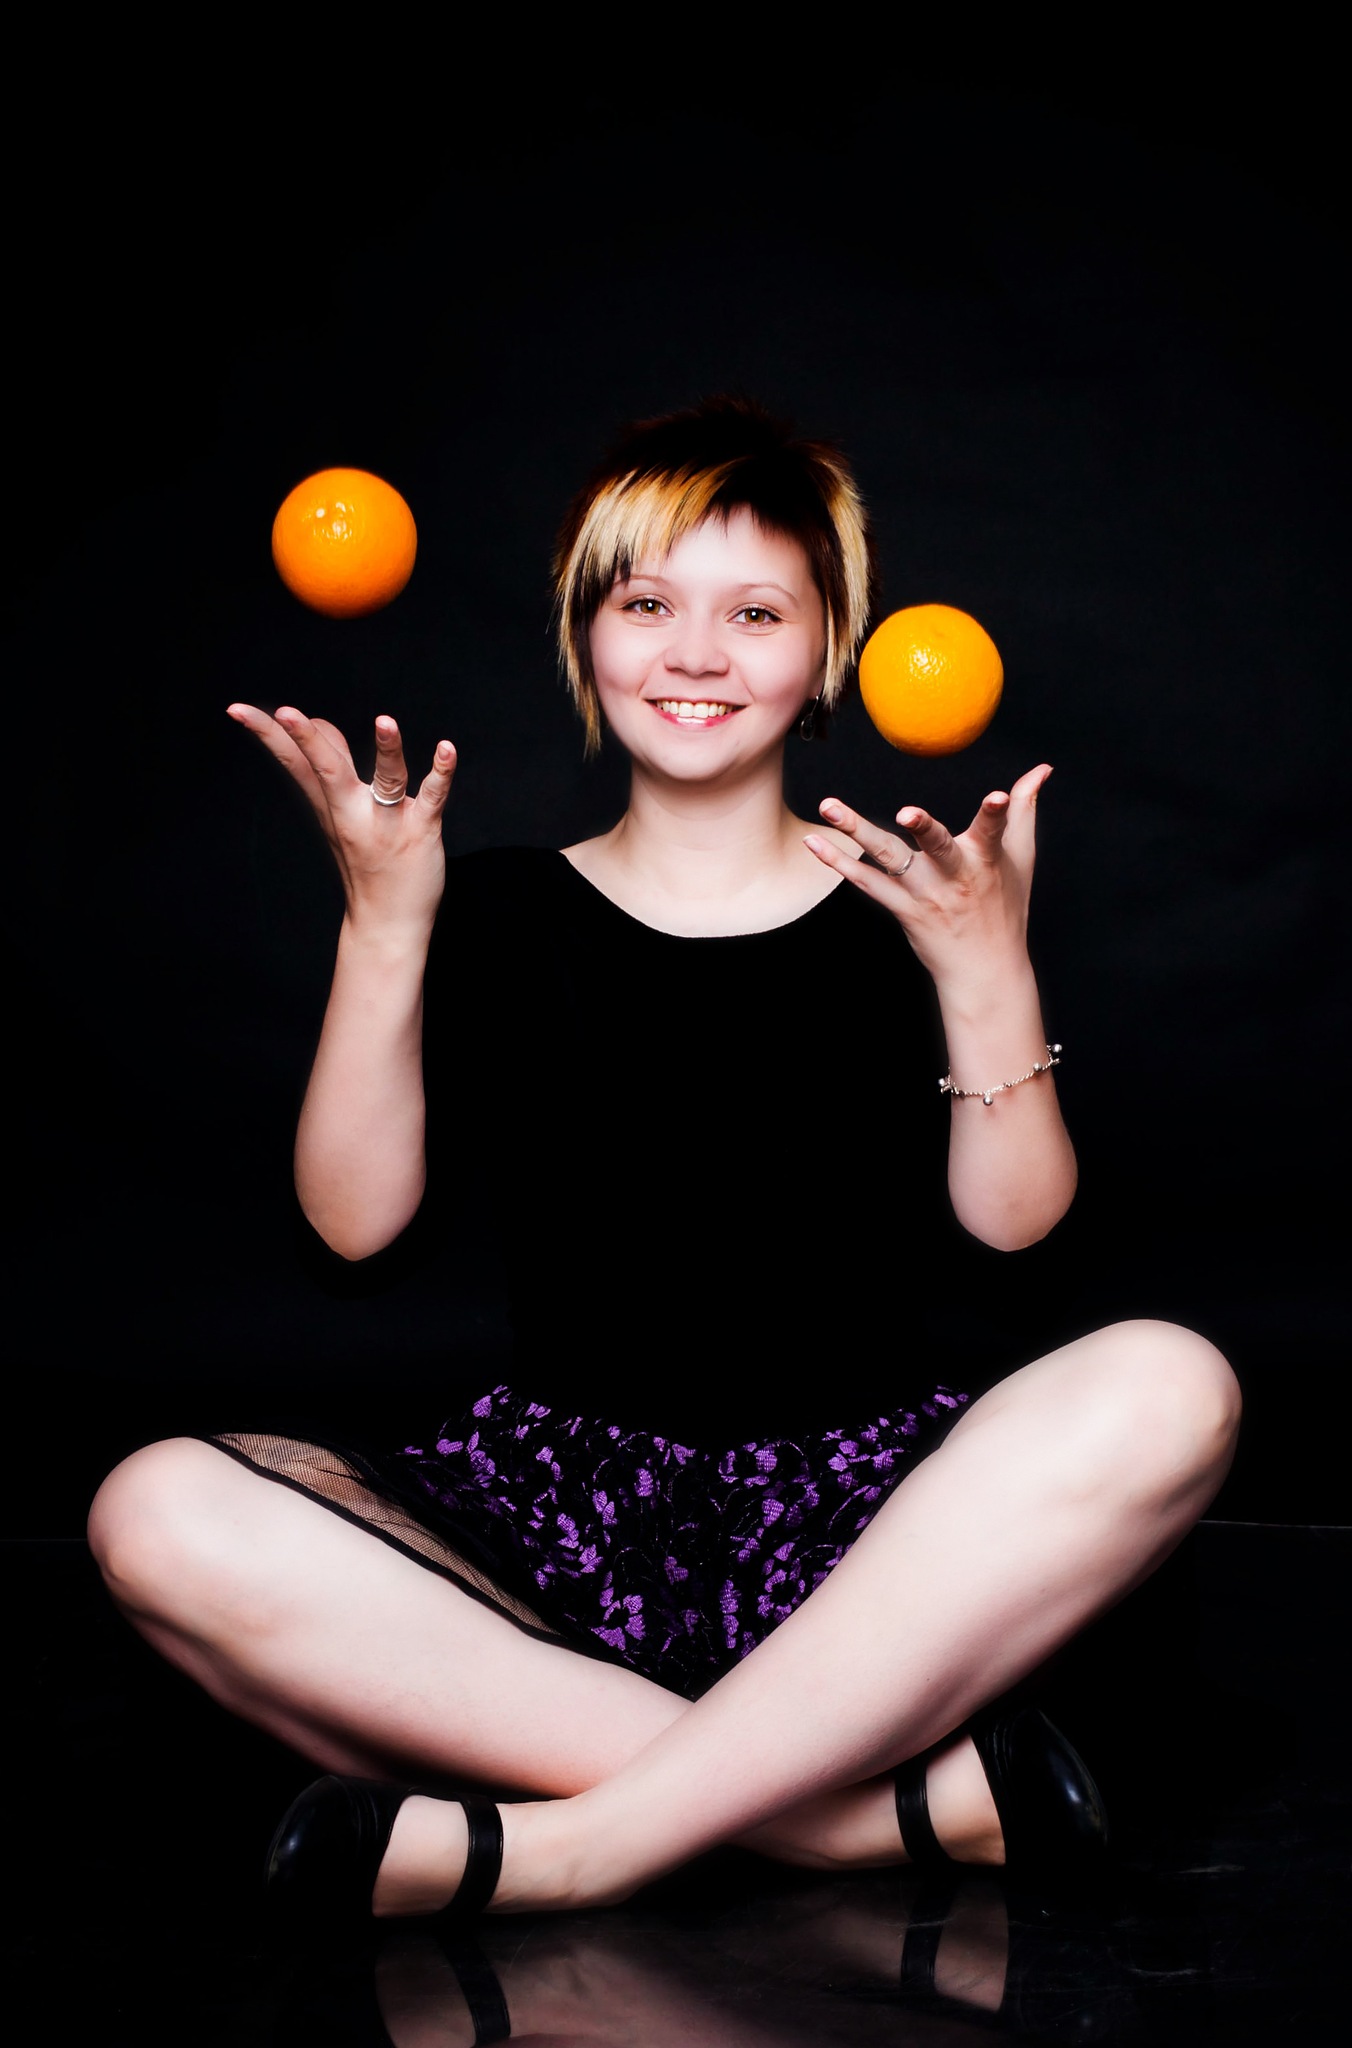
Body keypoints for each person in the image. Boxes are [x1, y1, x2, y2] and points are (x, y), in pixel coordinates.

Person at [89, 397, 1240, 1933]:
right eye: (647, 606)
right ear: (588, 637)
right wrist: (384, 922)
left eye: (755, 614)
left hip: (870, 1549)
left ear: (827, 654)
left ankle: (571, 1848)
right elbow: (354, 1235)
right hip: (554, 1526)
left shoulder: (917, 907)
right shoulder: (495, 910)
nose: (696, 656)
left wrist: (988, 971)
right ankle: (865, 1820)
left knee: (1176, 1381)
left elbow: (1017, 1241)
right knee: (150, 1510)